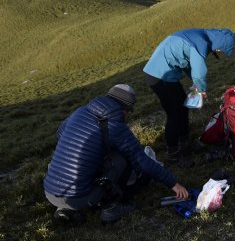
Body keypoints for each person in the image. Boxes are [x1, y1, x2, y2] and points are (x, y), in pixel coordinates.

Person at [44, 84, 189, 224]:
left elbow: (60, 134)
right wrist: (173, 183)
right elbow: (141, 161)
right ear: (125, 109)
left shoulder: (80, 111)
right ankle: (111, 208)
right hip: (79, 197)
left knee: (93, 159)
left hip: (50, 191)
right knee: (120, 159)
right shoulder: (115, 125)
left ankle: (65, 208)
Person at [143, 28, 235, 165]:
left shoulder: (199, 35)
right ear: (219, 43)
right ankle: (173, 154)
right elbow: (199, 71)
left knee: (182, 108)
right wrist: (201, 88)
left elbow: (187, 63)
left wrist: (194, 82)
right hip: (159, 76)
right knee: (174, 114)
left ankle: (184, 143)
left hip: (163, 73)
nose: (219, 53)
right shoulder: (200, 44)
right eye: (221, 50)